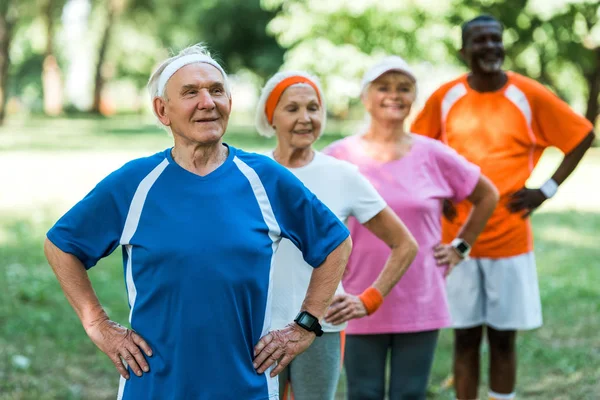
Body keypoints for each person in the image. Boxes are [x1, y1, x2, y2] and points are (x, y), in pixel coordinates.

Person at [43, 43, 353, 400]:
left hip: (246, 386)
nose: (207, 102)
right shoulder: (135, 183)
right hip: (154, 385)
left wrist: (306, 325)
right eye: (191, 93)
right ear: (163, 110)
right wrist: (97, 324)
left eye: (216, 91)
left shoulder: (265, 178)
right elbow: (61, 246)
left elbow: (335, 244)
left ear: (230, 104)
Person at [411, 15, 596, 400]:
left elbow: (582, 134)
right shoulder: (445, 97)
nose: (490, 47)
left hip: (509, 239)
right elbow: (415, 150)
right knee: (464, 339)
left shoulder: (527, 94)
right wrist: (435, 192)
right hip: (456, 242)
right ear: (464, 52)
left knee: (502, 340)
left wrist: (546, 189)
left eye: (496, 39)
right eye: (480, 41)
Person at [323, 56, 499, 400]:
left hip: (419, 294)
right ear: (365, 96)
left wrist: (461, 246)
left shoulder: (433, 154)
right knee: (363, 393)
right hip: (356, 294)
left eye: (404, 88)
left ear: (414, 97)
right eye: (383, 87)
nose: (394, 95)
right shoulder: (338, 155)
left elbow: (487, 194)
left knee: (409, 394)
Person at [255, 71, 419, 400]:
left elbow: (404, 245)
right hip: (256, 327)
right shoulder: (250, 172)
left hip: (320, 327)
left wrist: (368, 299)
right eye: (292, 109)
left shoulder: (342, 175)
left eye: (313, 108)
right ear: (271, 117)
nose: (305, 118)